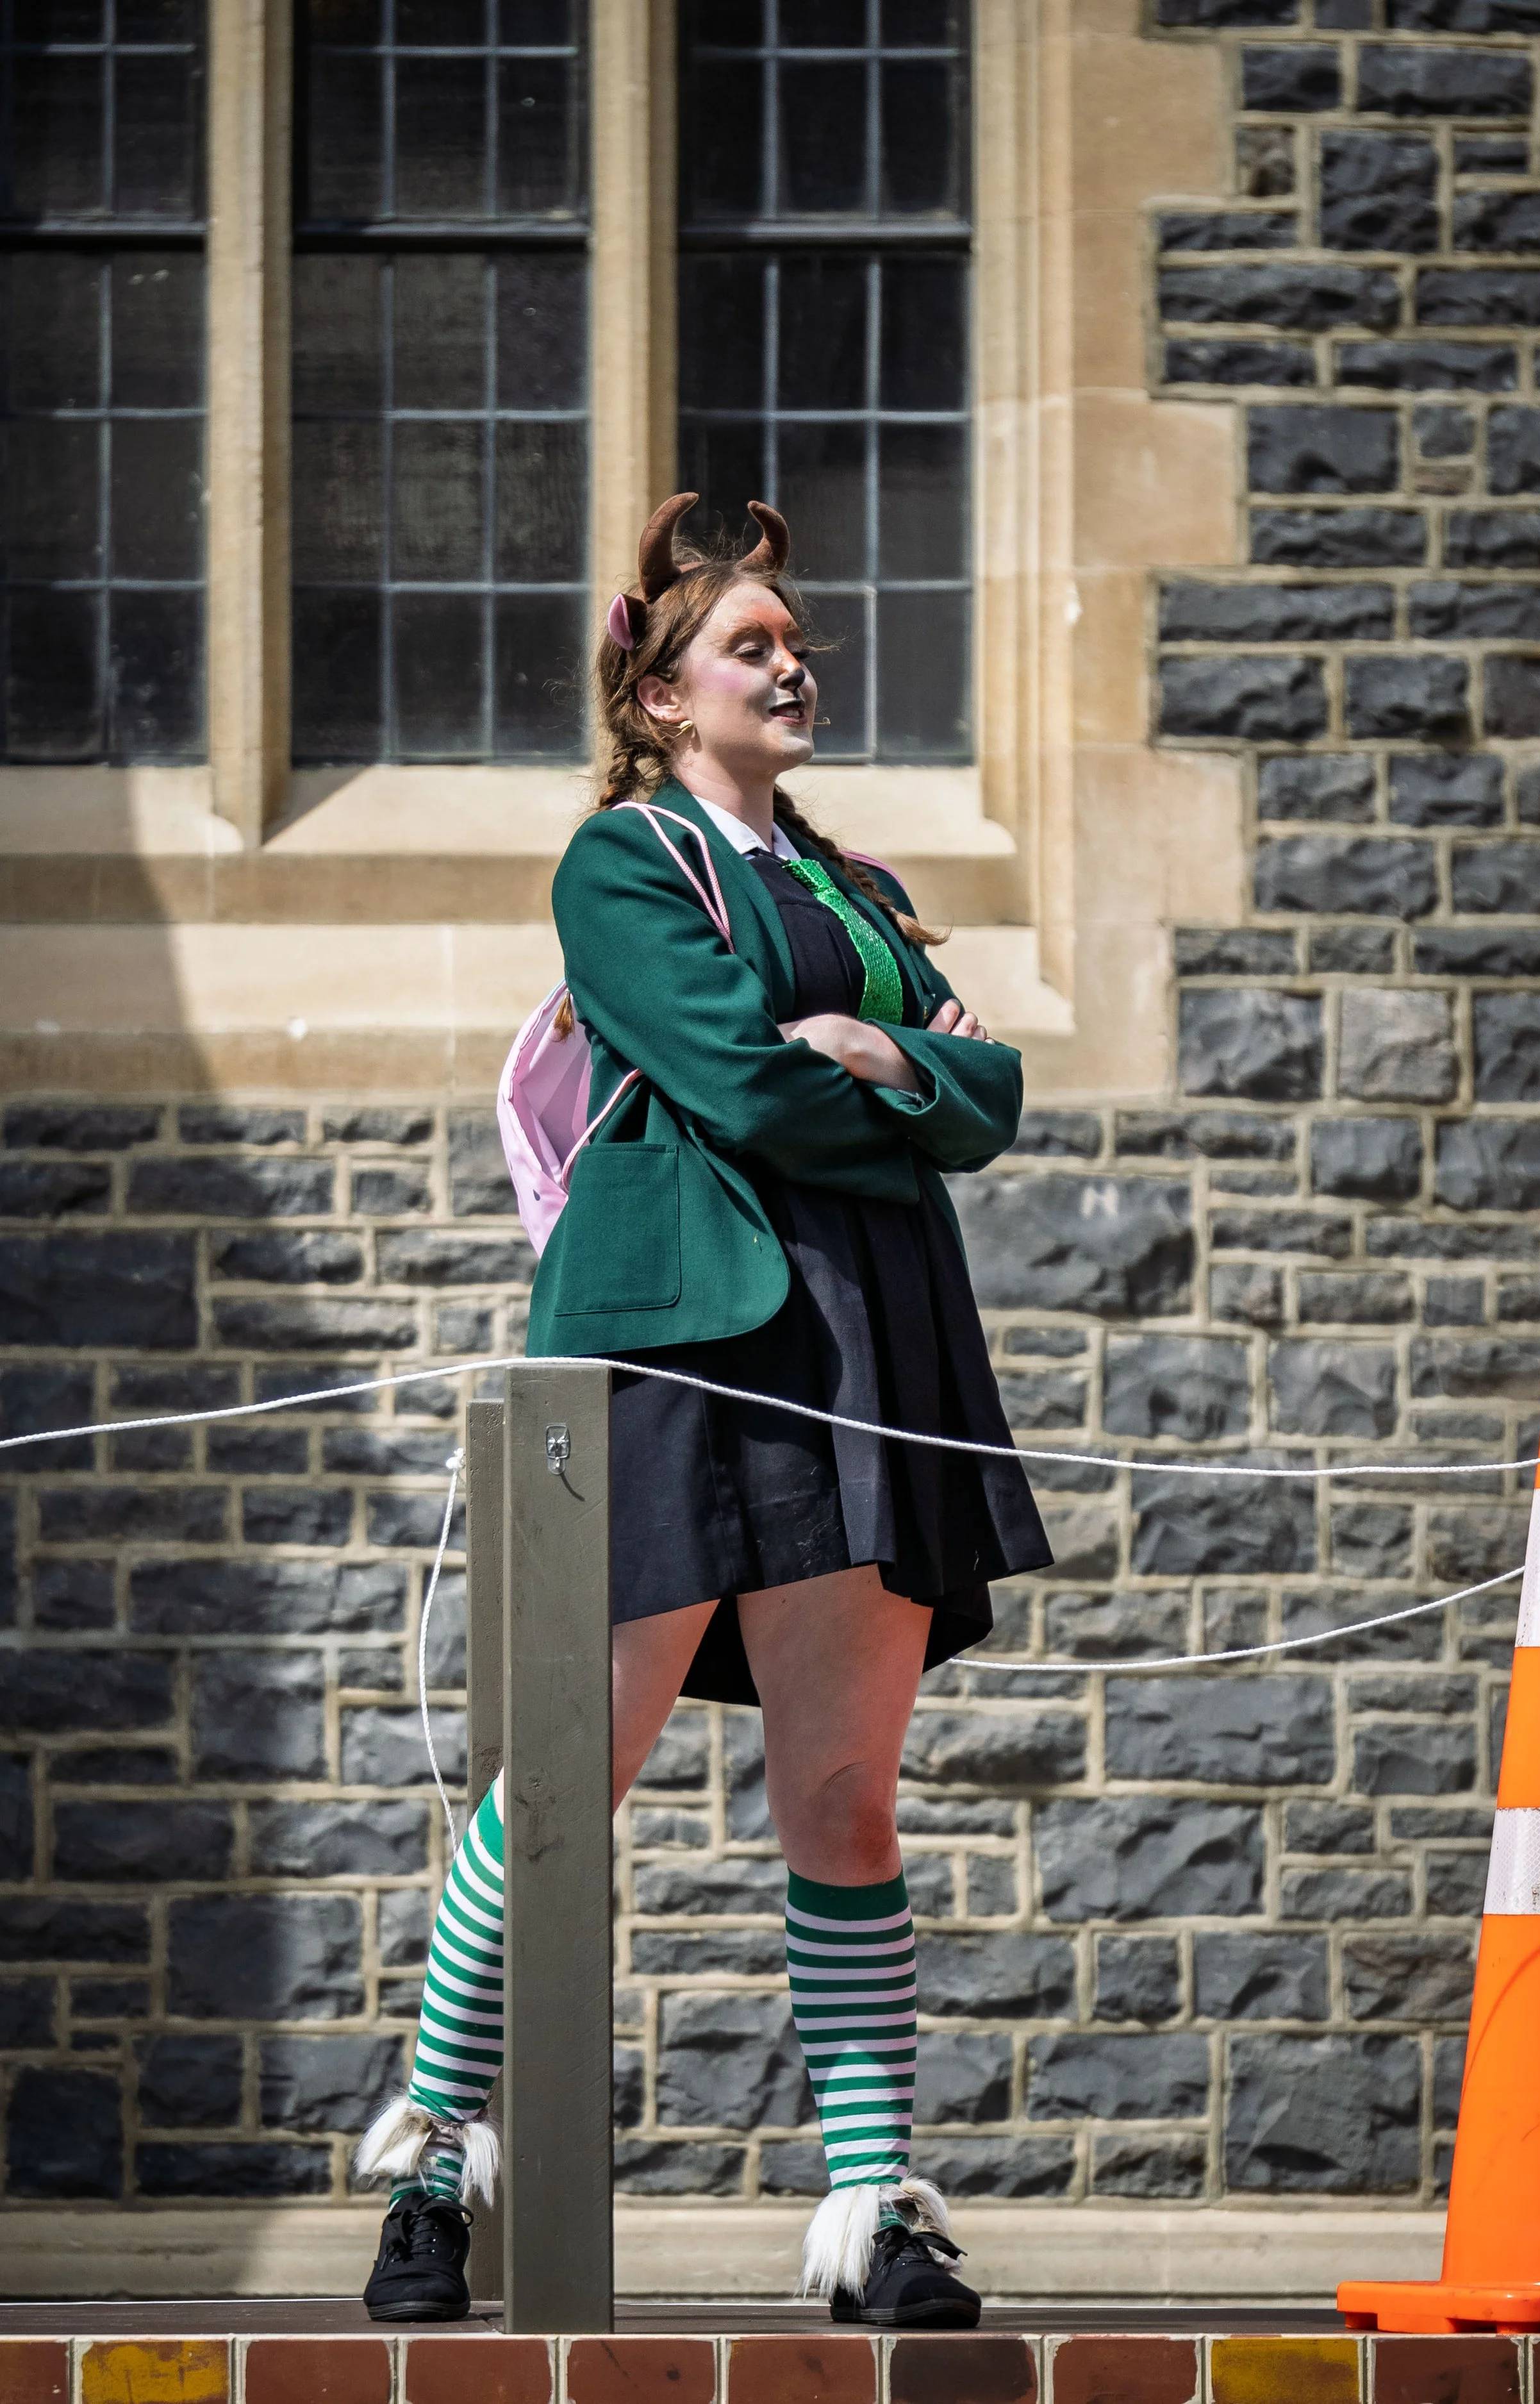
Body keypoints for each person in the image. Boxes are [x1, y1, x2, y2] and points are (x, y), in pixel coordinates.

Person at [357, 495, 1051, 2328]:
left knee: (844, 1795)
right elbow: (738, 1085)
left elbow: (992, 1092)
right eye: (752, 646)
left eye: (793, 641)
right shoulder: (622, 864)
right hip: (670, 1339)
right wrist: (894, 1083)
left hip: (867, 1342)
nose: (792, 663)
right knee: (563, 1773)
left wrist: (889, 1049)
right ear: (664, 696)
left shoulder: (860, 891)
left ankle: (872, 2206)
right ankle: (431, 2164)